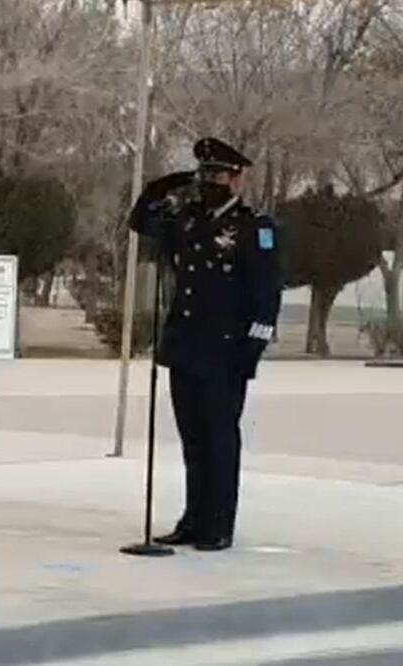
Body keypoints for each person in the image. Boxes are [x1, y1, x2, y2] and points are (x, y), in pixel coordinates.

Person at [128, 137, 282, 552]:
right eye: (205, 174)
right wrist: (161, 186)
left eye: (218, 175)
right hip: (186, 346)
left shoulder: (255, 228)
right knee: (192, 438)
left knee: (218, 438)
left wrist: (250, 353)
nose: (210, 182)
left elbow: (266, 297)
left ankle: (218, 524)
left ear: (238, 179)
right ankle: (193, 519)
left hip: (225, 350)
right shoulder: (190, 220)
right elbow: (141, 222)